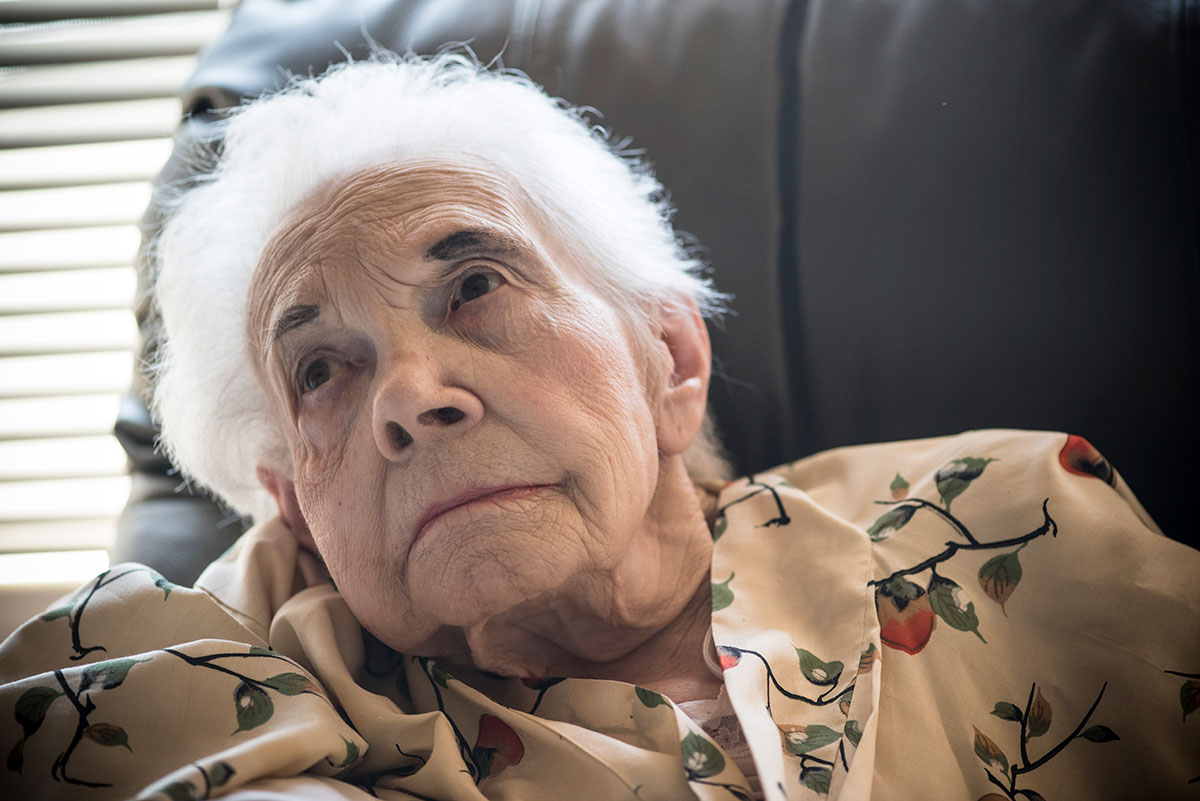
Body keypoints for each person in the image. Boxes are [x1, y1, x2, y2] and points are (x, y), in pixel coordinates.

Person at [1, 54, 1197, 801]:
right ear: (298, 503)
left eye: (475, 285)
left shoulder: (1007, 519)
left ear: (670, 358)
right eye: (321, 368)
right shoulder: (290, 685)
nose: (411, 393)